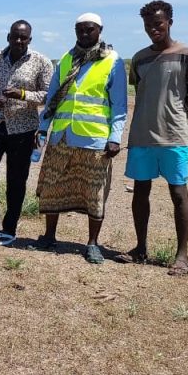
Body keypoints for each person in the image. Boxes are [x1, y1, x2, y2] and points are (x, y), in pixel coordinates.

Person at [31, 13, 127, 264]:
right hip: (62, 135)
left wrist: (115, 137)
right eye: (80, 30)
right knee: (52, 186)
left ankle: (92, 243)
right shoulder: (66, 59)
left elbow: (119, 105)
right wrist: (43, 128)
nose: (84, 34)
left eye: (89, 29)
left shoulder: (112, 61)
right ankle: (49, 236)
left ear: (100, 30)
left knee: (94, 191)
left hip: (94, 139)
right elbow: (52, 98)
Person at [119, 0, 188, 276]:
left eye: (158, 23)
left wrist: (173, 112)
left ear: (170, 22)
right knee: (140, 192)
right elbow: (142, 92)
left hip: (174, 136)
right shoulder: (139, 58)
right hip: (142, 135)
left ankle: (182, 256)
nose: (153, 29)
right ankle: (140, 248)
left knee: (178, 193)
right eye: (148, 25)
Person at [0, 20, 54, 246]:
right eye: (15, 36)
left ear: (30, 39)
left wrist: (22, 94)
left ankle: (9, 228)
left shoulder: (41, 62)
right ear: (8, 37)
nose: (18, 41)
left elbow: (48, 94)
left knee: (16, 179)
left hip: (23, 129)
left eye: (23, 38)